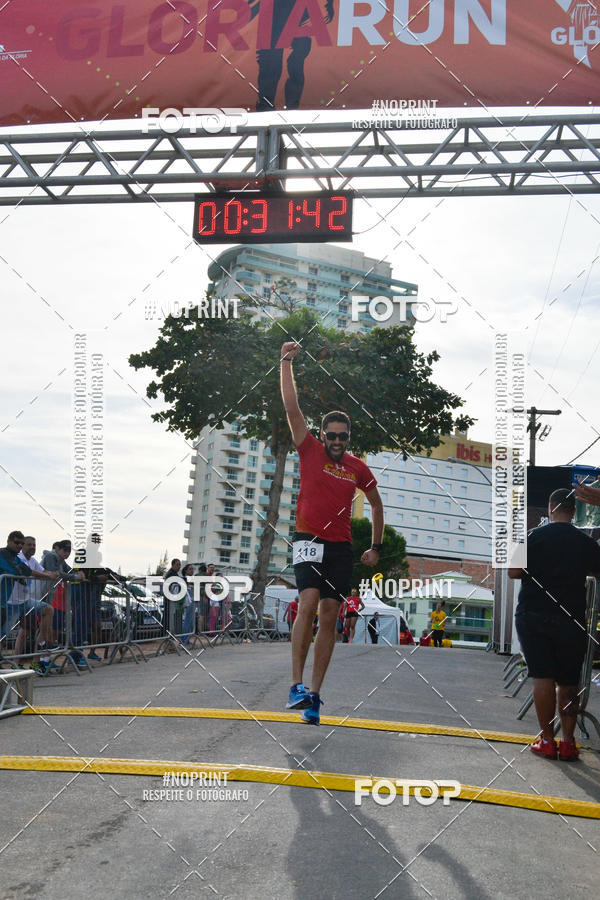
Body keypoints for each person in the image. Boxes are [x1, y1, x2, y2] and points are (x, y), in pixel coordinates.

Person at [280, 340, 383, 725]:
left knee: (329, 616)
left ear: (349, 438)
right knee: (306, 602)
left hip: (340, 547)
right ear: (322, 434)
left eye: (343, 436)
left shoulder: (357, 467)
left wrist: (375, 546)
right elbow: (292, 407)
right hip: (308, 540)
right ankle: (295, 684)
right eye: (332, 435)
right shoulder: (308, 449)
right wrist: (286, 362)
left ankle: (315, 697)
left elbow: (375, 504)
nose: (337, 441)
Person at [508, 488, 600, 761]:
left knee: (543, 678)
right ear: (573, 512)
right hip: (570, 619)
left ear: (550, 509)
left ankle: (547, 741)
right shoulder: (584, 542)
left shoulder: (533, 536)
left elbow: (513, 572)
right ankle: (568, 743)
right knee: (568, 681)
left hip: (533, 615)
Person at [250, 0, 335, 111]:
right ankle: (266, 106)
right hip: (274, 12)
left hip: (300, 11)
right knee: (271, 64)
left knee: (295, 63)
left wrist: (329, 5)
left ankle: (291, 107)